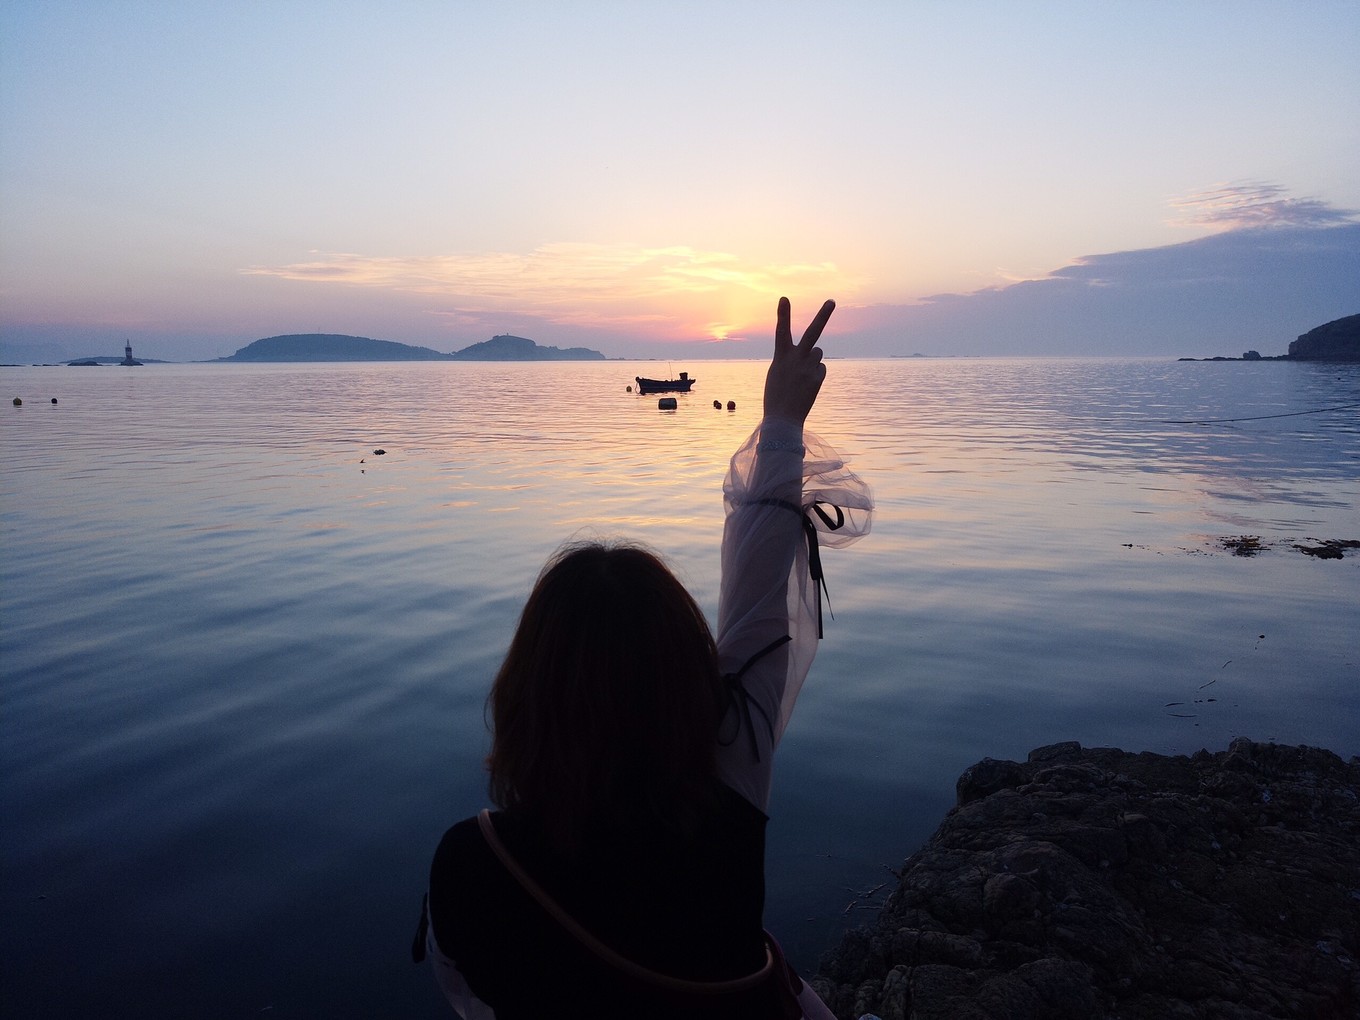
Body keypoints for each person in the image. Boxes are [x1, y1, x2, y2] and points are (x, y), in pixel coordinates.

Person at [416, 298, 872, 1018]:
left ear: (527, 688)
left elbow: (472, 1002)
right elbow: (758, 603)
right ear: (689, 669)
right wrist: (782, 422)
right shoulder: (731, 769)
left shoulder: (473, 859)